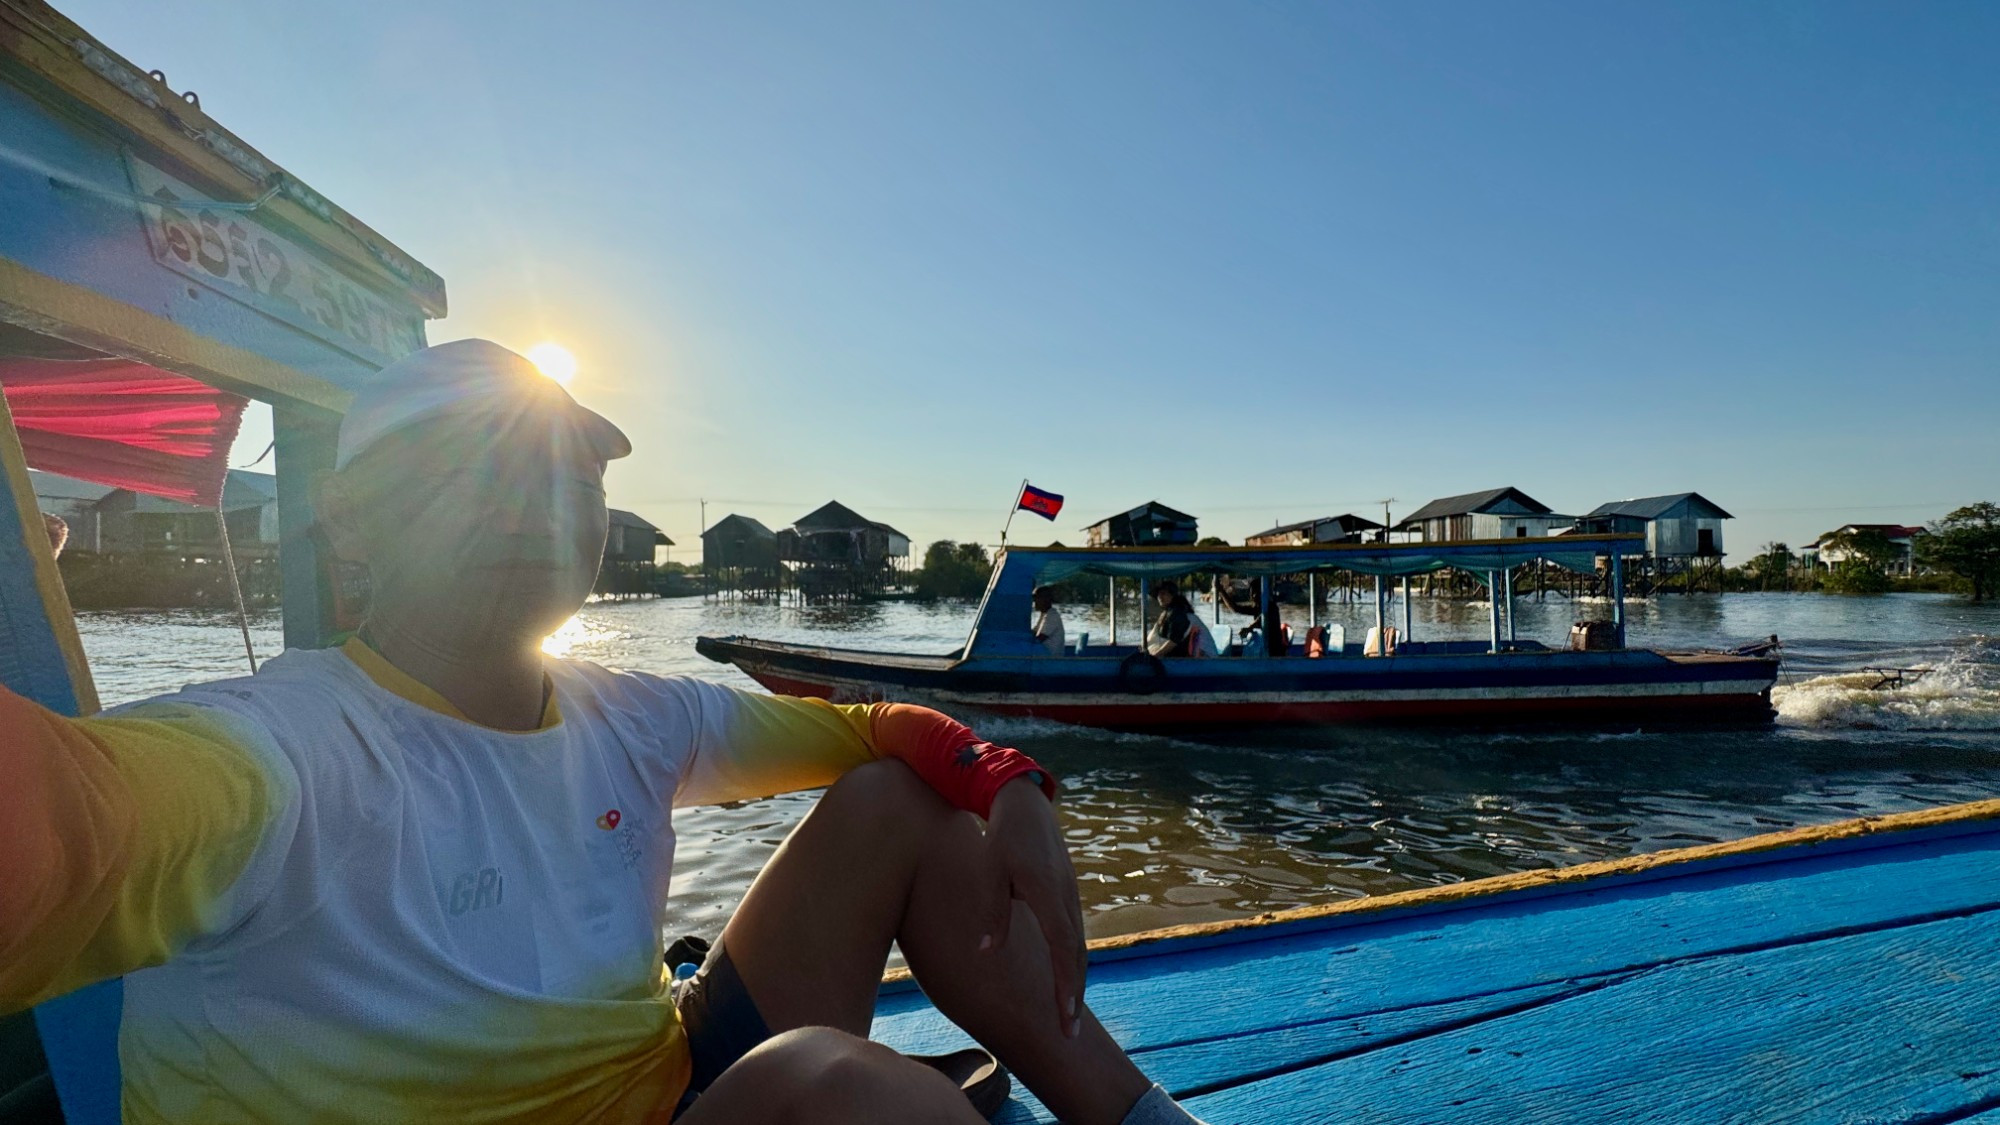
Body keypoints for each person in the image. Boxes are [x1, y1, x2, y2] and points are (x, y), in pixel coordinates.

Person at [0, 340, 1208, 1125]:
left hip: (664, 1089)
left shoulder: (630, 715)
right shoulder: (271, 756)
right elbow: (66, 815)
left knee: (905, 806)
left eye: (571, 473)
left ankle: (1135, 1116)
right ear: (349, 527)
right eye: (481, 469)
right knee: (849, 1095)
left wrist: (1005, 781)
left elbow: (878, 735)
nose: (543, 499)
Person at [1144, 580, 1195, 657]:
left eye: (1163, 594)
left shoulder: (1177, 613)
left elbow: (1173, 642)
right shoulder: (1168, 612)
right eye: (1158, 594)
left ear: (1172, 595)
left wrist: (1155, 656)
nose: (1160, 597)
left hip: (1176, 657)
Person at [1031, 585, 1066, 656]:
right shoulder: (1044, 614)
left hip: (1051, 656)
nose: (1034, 603)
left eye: (1037, 599)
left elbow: (1039, 638)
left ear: (1045, 600)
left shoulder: (1052, 616)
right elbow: (1034, 633)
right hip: (1043, 653)